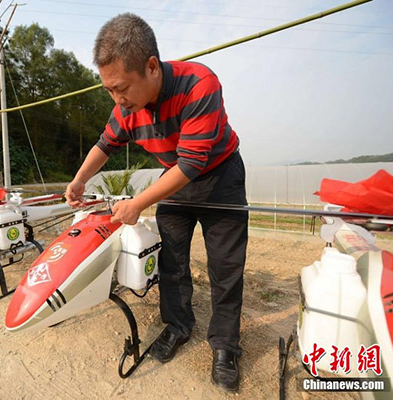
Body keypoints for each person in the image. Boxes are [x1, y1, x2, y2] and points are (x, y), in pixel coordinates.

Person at [65, 13, 248, 392]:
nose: (117, 99)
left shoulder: (199, 84)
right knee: (172, 260)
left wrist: (138, 203)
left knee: (225, 266)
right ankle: (178, 325)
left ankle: (225, 345)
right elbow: (105, 144)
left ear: (151, 67)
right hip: (172, 179)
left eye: (121, 88)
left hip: (219, 176)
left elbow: (193, 163)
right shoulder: (126, 109)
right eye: (109, 91)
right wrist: (80, 180)